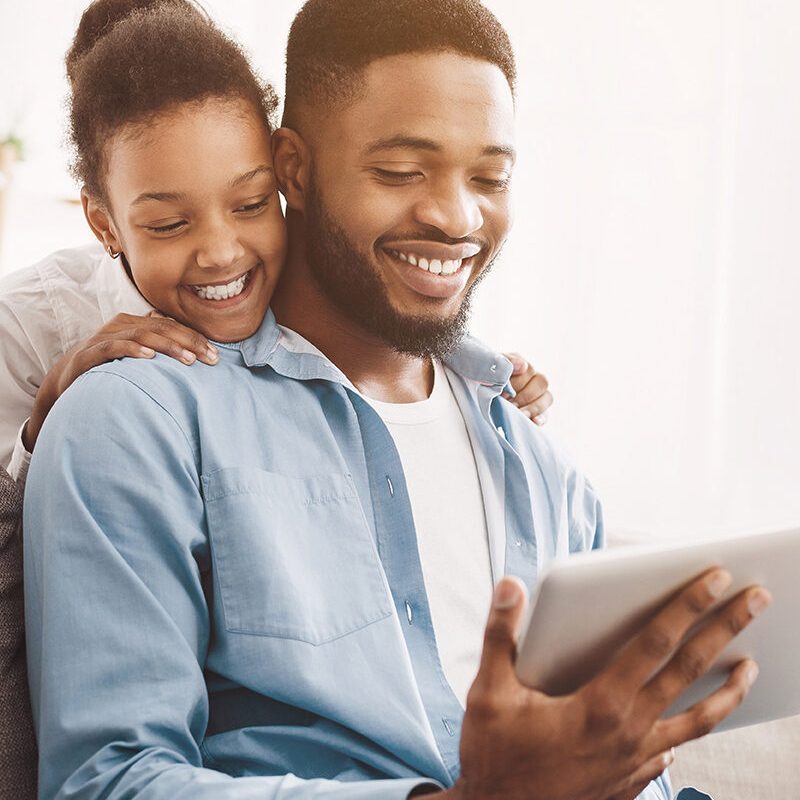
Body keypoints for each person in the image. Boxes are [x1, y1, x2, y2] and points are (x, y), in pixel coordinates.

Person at [23, 1, 769, 798]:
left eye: (490, 177)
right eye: (402, 172)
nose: (455, 216)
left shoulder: (539, 462)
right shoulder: (137, 419)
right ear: (294, 170)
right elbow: (107, 782)